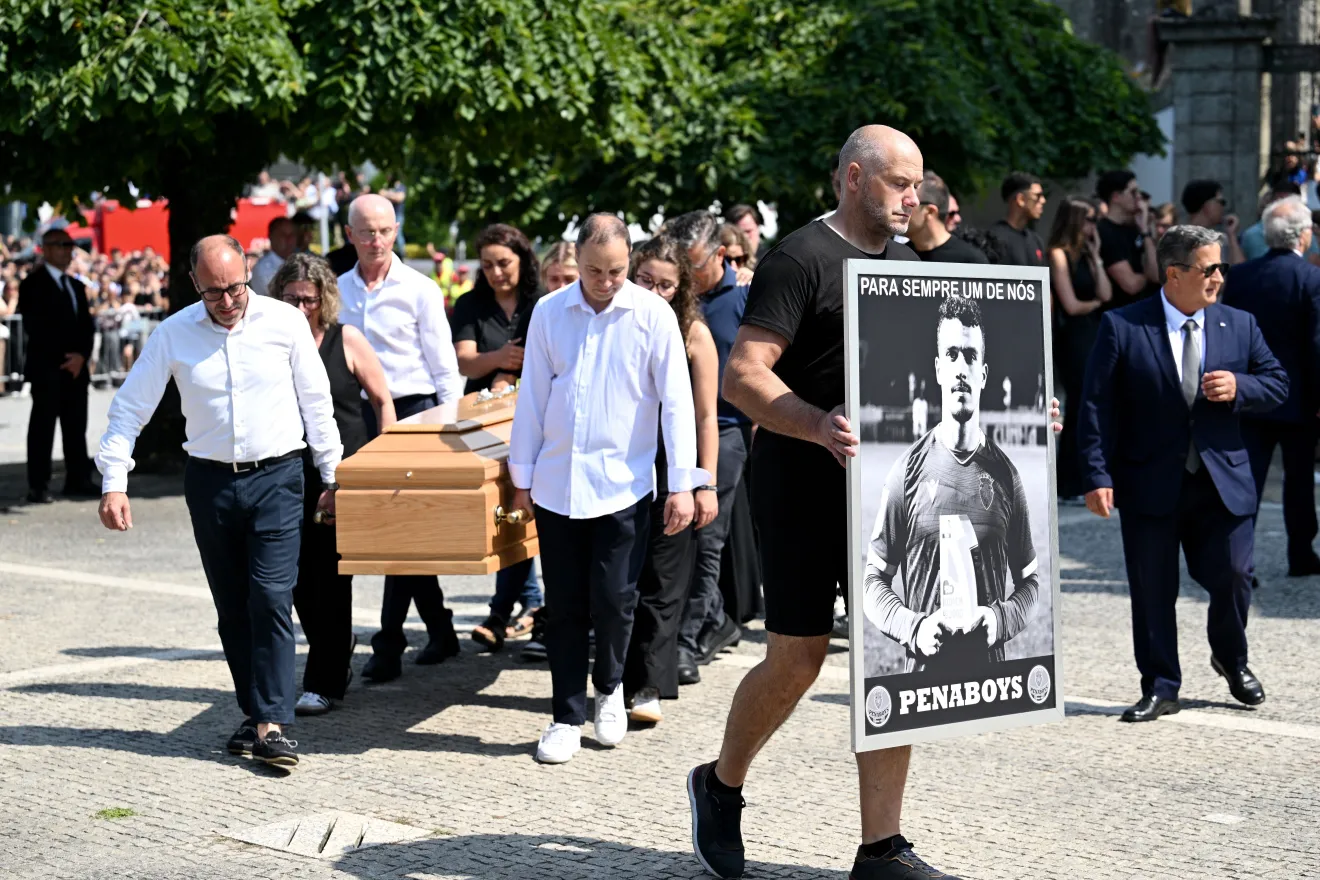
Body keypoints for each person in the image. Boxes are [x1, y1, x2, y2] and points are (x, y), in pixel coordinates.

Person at [692, 124, 946, 880]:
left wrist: (1022, 417)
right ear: (854, 178)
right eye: (900, 182)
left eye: (918, 184)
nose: (913, 197)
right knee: (796, 661)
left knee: (893, 661)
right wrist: (816, 424)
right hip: (800, 489)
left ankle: (881, 849)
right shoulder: (799, 258)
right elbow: (743, 376)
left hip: (890, 497)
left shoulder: (908, 266)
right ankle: (719, 782)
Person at [96, 235, 343, 768]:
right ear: (194, 285)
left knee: (272, 596)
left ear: (249, 271)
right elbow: (128, 409)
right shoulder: (173, 333)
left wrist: (332, 476)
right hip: (210, 483)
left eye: (236, 287)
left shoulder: (285, 322)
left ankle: (274, 724)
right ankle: (256, 714)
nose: (228, 301)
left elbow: (317, 402)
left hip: (279, 475)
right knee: (233, 607)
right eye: (214, 293)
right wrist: (114, 481)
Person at [509, 214, 707, 764]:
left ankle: (611, 687)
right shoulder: (550, 312)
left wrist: (683, 484)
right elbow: (531, 401)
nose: (606, 281)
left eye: (617, 270)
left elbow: (677, 405)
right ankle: (566, 715)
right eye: (594, 271)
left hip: (625, 485)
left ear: (630, 262)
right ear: (576, 263)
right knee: (565, 604)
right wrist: (520, 478)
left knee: (617, 600)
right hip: (555, 483)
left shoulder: (653, 315)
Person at [1078, 225, 1287, 723]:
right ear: (1174, 274)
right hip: (1150, 480)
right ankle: (1161, 685)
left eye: (1222, 268)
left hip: (1224, 481)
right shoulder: (1123, 326)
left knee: (1235, 575)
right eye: (1210, 268)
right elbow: (1095, 407)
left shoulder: (1240, 325)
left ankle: (1232, 659)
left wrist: (1240, 386)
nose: (1219, 277)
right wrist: (1095, 475)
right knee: (1153, 589)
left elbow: (1278, 384)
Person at [864, 295, 1040, 673]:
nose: (962, 367)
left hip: (990, 687)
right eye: (953, 355)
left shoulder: (1007, 477)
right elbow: (872, 583)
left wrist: (999, 620)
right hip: (923, 688)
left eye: (971, 356)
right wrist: (915, 627)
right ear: (939, 368)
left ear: (984, 374)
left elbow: (1031, 583)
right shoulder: (906, 471)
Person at [337, 193, 465, 683]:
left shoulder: (420, 289)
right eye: (366, 231)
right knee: (396, 534)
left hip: (414, 413)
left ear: (396, 232)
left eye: (385, 230)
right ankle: (440, 627)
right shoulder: (338, 291)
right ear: (349, 234)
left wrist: (449, 427)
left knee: (399, 533)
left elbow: (443, 367)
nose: (376, 240)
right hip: (356, 415)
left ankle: (388, 643)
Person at [270, 253, 395, 716]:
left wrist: (382, 461)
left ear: (324, 300)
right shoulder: (272, 342)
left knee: (332, 577)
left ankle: (323, 682)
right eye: (290, 299)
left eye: (308, 299)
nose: (300, 308)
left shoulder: (346, 339)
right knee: (294, 578)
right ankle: (337, 647)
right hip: (286, 472)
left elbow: (382, 399)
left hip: (342, 475)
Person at [622, 235, 719, 724]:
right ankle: (613, 679)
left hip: (673, 467)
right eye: (646, 280)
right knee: (622, 579)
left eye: (666, 284)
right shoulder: (618, 322)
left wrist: (705, 483)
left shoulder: (693, 333)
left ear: (681, 288)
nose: (655, 291)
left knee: (663, 579)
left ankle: (647, 687)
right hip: (620, 463)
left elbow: (706, 416)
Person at [451, 223, 545, 651]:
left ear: (522, 260)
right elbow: (466, 363)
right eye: (487, 265)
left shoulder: (540, 301)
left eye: (503, 263)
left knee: (521, 506)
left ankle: (506, 608)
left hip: (536, 421)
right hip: (484, 423)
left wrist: (510, 372)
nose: (495, 272)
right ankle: (526, 602)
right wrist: (501, 359)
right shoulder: (471, 303)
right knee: (507, 507)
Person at [666, 211, 749, 684]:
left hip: (728, 430)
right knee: (679, 536)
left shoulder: (745, 298)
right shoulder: (675, 301)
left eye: (692, 266)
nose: (686, 277)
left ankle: (689, 638)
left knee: (708, 538)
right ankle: (714, 617)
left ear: (720, 254)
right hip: (677, 433)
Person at [1222, 196, 1320, 576]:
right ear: (1303, 235)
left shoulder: (1242, 276)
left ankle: (1239, 561)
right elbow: (1315, 343)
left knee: (1246, 482)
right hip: (1297, 397)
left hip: (1250, 393)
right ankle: (1301, 553)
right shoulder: (1311, 278)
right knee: (1298, 482)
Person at [20, 227, 97, 503]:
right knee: (42, 428)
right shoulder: (33, 284)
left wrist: (81, 357)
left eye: (70, 245)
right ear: (47, 248)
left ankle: (78, 479)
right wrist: (65, 357)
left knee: (76, 427)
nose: (68, 250)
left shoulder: (75, 285)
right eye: (63, 245)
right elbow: (36, 328)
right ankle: (38, 484)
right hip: (48, 369)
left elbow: (88, 327)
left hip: (76, 370)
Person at [1048, 197, 1113, 501]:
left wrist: (1097, 257)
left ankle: (1084, 477)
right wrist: (1096, 305)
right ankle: (1067, 481)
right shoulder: (1059, 254)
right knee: (1078, 405)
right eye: (1088, 219)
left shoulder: (1086, 254)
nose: (1092, 225)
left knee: (1091, 404)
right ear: (1075, 219)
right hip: (1072, 337)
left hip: (1092, 332)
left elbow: (1106, 292)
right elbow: (1071, 305)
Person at [1095, 169, 1160, 303]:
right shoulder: (1104, 231)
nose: (1138, 197)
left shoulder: (1135, 229)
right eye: (1133, 192)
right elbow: (1131, 284)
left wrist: (1145, 231)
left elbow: (1156, 274)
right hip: (1118, 315)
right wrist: (1147, 274)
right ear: (1116, 197)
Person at [906, 176, 989, 264]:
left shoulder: (971, 261)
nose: (901, 208)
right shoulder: (900, 255)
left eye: (909, 204)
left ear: (930, 211)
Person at [986, 172, 1047, 267]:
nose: (1043, 201)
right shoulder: (993, 238)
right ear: (1021, 199)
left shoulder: (1036, 241)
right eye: (1037, 196)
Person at [1241, 178, 1306, 262]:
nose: (1283, 208)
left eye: (1289, 203)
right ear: (1270, 203)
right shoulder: (1255, 234)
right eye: (1278, 202)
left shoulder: (1306, 231)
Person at [1181, 180, 1246, 264]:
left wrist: (1232, 235)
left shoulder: (1223, 240)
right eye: (1221, 202)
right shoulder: (1178, 242)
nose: (1223, 207)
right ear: (1208, 205)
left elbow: (1241, 272)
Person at [250, 217, 297, 297]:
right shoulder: (262, 268)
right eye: (283, 235)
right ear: (271, 237)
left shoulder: (297, 262)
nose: (289, 239)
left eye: (292, 234)